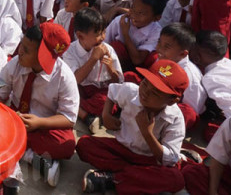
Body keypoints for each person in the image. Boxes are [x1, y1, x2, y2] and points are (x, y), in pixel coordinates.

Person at [76, 59, 188, 194]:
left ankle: (112, 178)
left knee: (175, 179)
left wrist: (147, 133)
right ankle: (135, 178)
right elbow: (112, 92)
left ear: (171, 101)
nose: (145, 92)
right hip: (121, 148)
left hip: (149, 159)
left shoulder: (175, 118)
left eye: (155, 93)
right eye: (145, 83)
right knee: (84, 144)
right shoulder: (131, 91)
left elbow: (168, 159)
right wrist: (106, 115)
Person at [0, 23, 79, 188]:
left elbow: (68, 118)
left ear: (42, 57)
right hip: (17, 118)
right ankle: (32, 157)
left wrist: (39, 123)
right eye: (21, 46)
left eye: (26, 50)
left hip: (45, 125)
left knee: (66, 144)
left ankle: (16, 149)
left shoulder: (64, 77)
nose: (20, 52)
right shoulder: (15, 64)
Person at [63, 8, 122, 134]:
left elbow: (118, 82)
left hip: (100, 91)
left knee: (106, 100)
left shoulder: (108, 49)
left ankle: (80, 111)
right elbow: (74, 80)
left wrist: (111, 69)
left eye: (103, 32)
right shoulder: (70, 52)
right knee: (63, 91)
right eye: (97, 34)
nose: (102, 37)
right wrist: (93, 58)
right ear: (80, 36)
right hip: (81, 89)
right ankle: (85, 116)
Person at [190, 30, 231, 140]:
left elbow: (230, 107)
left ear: (197, 55)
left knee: (210, 133)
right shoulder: (228, 63)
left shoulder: (211, 78)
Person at [153, 23, 206, 131]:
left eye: (166, 47)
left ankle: (159, 131)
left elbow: (193, 109)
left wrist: (163, 105)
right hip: (154, 102)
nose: (159, 49)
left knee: (188, 113)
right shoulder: (162, 59)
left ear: (182, 54)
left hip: (170, 109)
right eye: (159, 42)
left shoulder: (190, 75)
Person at [105, 0, 165, 73]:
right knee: (117, 46)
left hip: (139, 68)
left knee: (153, 57)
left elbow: (137, 60)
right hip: (116, 63)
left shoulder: (156, 31)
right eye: (132, 8)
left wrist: (125, 34)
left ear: (156, 18)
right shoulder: (121, 20)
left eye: (141, 13)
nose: (134, 15)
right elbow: (104, 42)